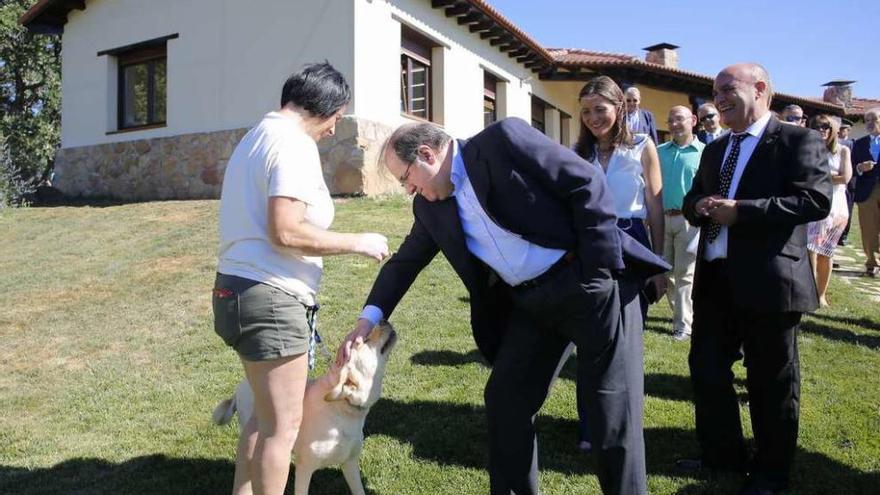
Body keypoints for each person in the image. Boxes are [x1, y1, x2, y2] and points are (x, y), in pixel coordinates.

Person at [340, 118, 669, 495]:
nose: (409, 189)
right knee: (505, 401)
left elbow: (585, 182)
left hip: (590, 285)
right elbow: (404, 263)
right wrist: (368, 320)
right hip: (532, 304)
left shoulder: (503, 141)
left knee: (612, 414)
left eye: (406, 179)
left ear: (427, 155)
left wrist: (597, 272)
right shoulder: (429, 208)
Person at [212, 62, 390, 495]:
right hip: (271, 299)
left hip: (234, 291)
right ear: (323, 107)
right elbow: (286, 230)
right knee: (283, 428)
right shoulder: (293, 144)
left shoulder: (254, 138)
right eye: (335, 117)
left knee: (263, 419)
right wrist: (358, 241)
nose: (332, 130)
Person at [678, 63, 831, 495]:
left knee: (771, 381)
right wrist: (700, 205)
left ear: (760, 89)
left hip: (769, 280)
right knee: (707, 370)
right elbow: (693, 199)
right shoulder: (715, 149)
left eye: (727, 89)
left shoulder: (798, 140)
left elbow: (814, 199)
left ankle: (770, 472)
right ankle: (722, 456)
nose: (718, 97)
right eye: (715, 91)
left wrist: (742, 211)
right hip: (715, 279)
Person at [657, 106, 704, 340]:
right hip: (662, 219)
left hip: (689, 221)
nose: (674, 124)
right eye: (670, 120)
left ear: (693, 120)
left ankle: (683, 325)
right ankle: (683, 314)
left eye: (679, 119)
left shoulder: (704, 153)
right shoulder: (659, 151)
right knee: (665, 272)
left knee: (685, 273)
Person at [806, 115, 852, 306]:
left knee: (827, 251)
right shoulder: (808, 149)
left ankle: (821, 294)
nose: (821, 129)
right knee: (810, 249)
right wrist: (830, 175)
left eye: (826, 126)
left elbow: (845, 178)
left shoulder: (842, 151)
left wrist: (821, 176)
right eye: (817, 126)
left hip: (837, 206)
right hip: (815, 203)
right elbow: (806, 176)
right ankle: (809, 292)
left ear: (833, 129)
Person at [852, 107, 880, 277]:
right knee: (869, 228)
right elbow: (852, 167)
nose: (869, 123)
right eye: (867, 120)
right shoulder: (859, 143)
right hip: (867, 191)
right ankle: (872, 263)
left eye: (874, 119)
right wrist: (861, 167)